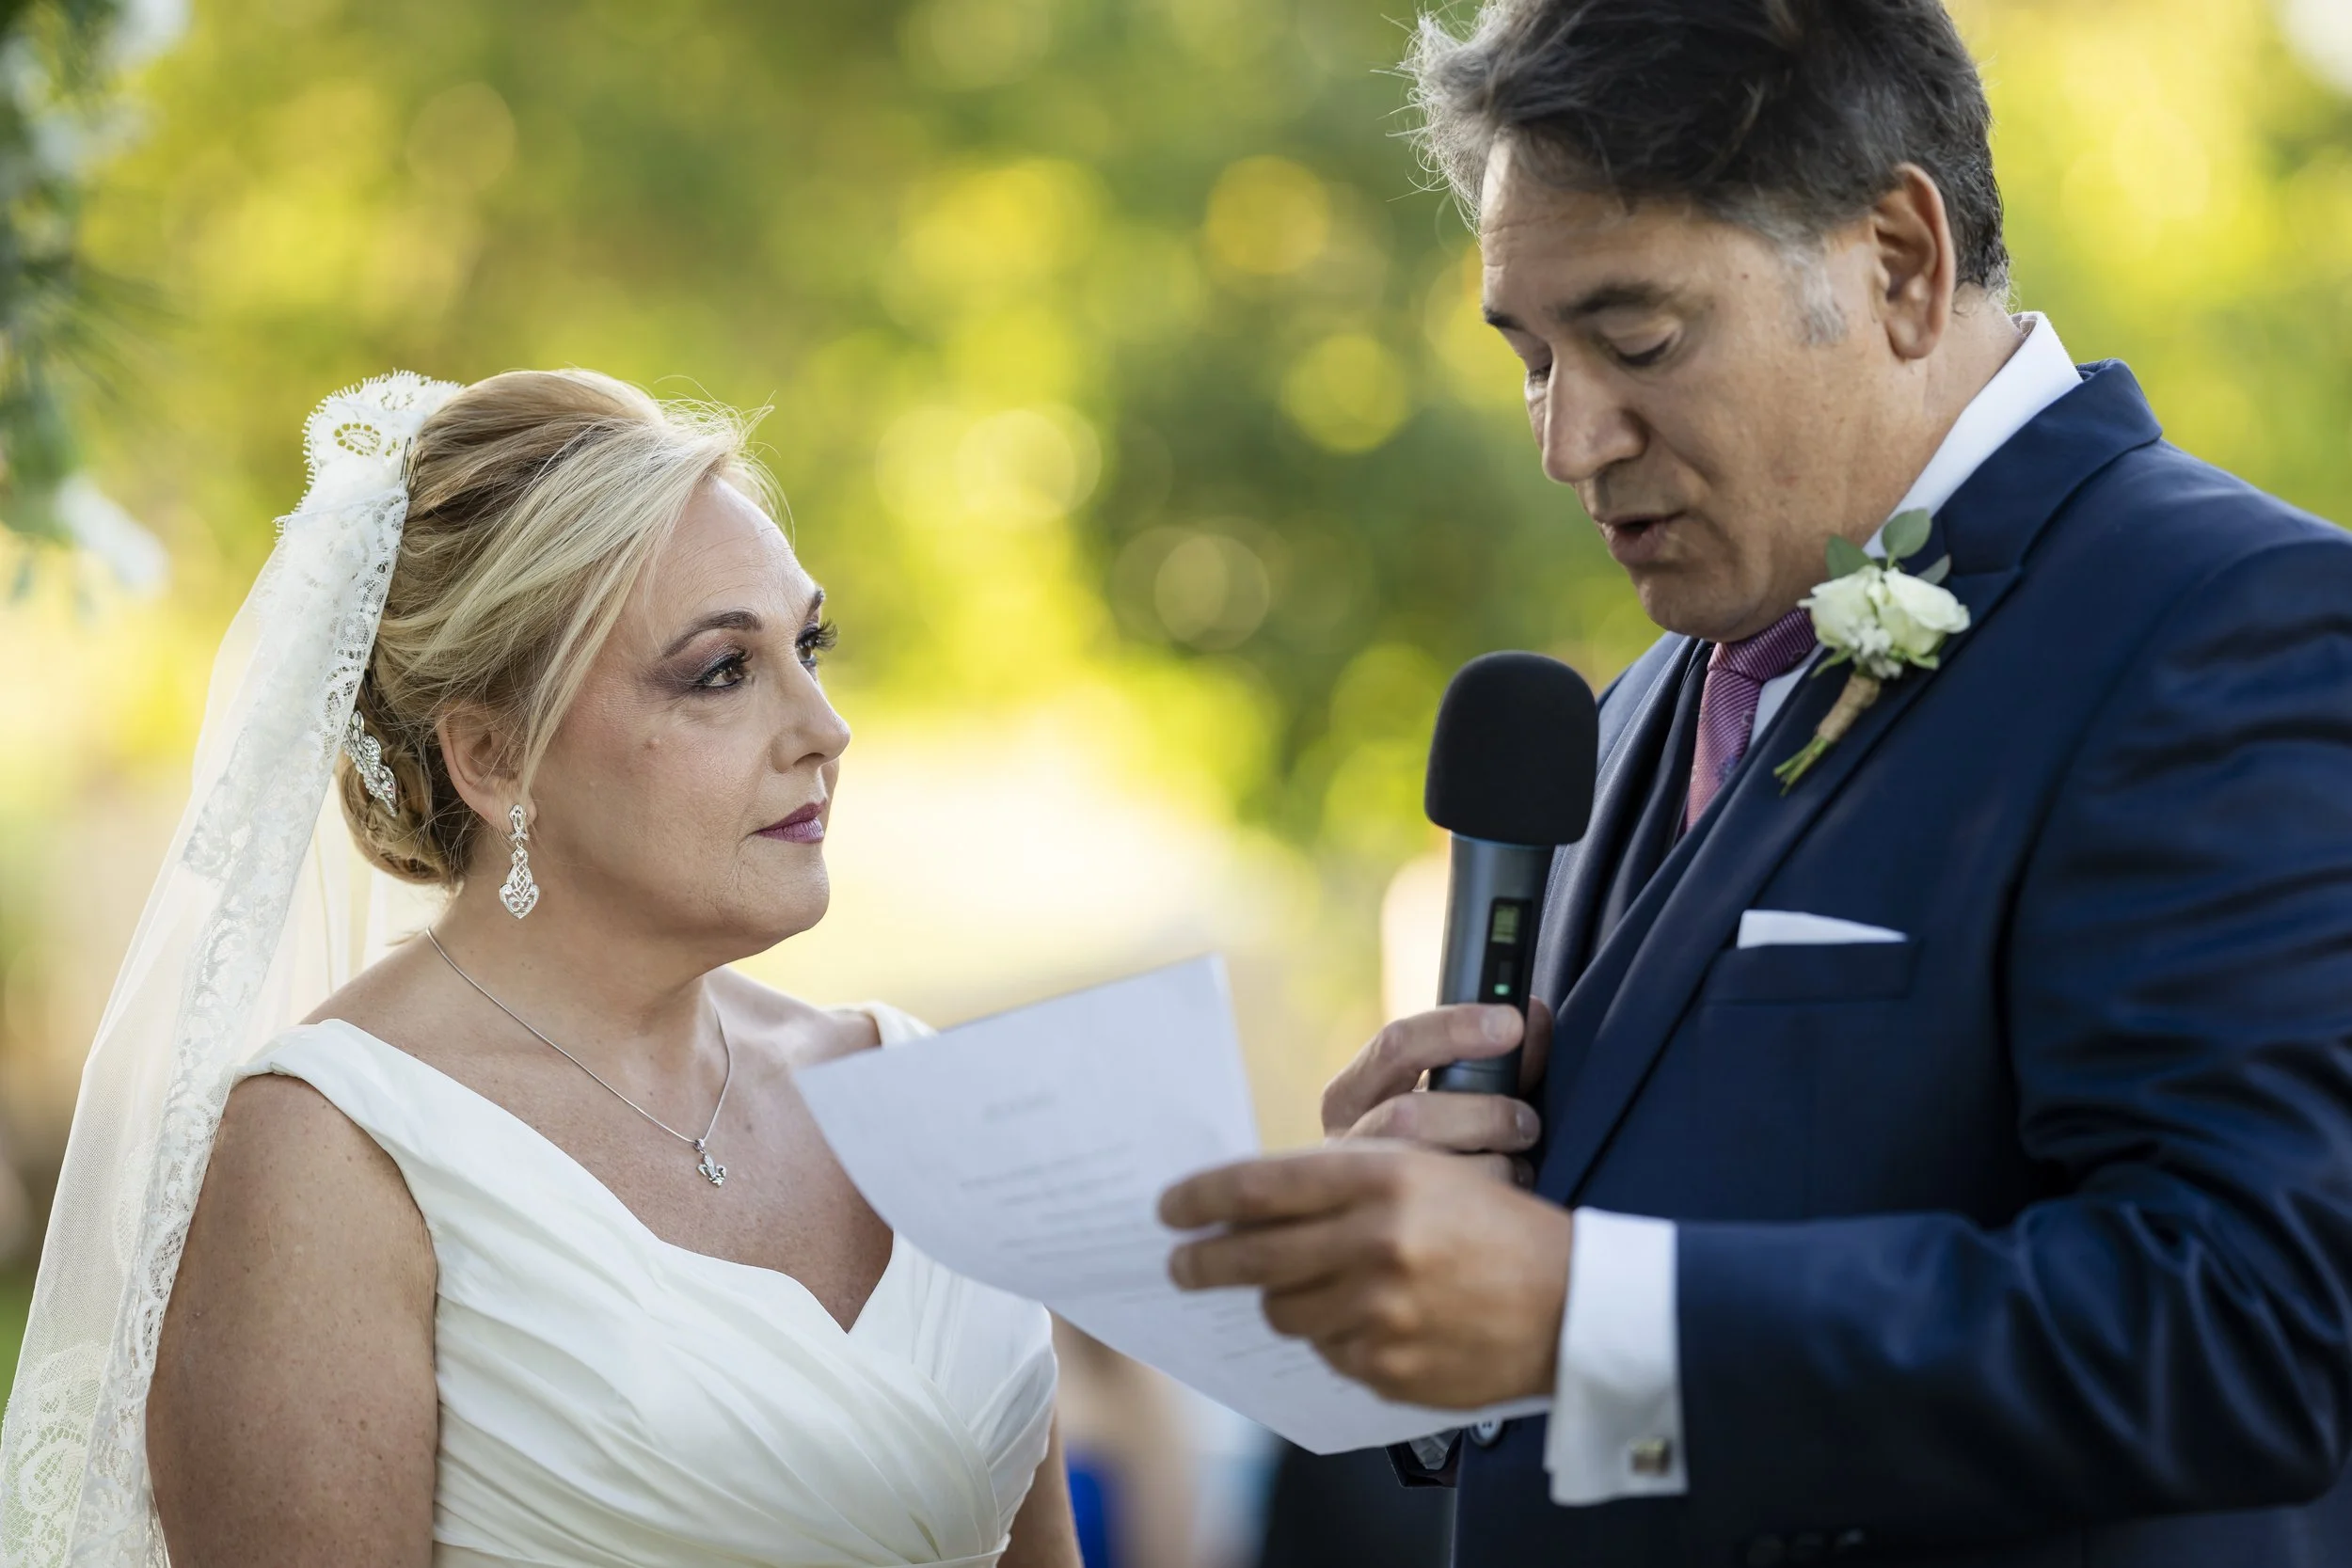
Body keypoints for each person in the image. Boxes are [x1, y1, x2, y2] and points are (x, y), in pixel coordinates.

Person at [1157, 2, 2352, 1564]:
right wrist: (1432, 1252)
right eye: (1531, 360)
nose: (1570, 441)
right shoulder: (1636, 706)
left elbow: (2256, 1325)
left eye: (1638, 340)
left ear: (1900, 262)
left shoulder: (2229, 623)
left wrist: (1580, 1310)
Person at [0, 369, 1081, 1568]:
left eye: (808, 646)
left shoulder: (916, 1084)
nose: (825, 729)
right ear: (494, 756)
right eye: (723, 670)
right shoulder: (333, 1153)